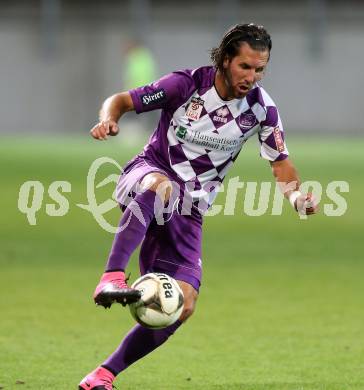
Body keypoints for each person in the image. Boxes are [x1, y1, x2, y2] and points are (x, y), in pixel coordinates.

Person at [79, 23, 318, 390]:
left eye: (260, 69)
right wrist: (109, 118)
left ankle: (103, 375)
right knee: (164, 187)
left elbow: (280, 161)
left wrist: (296, 197)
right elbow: (123, 100)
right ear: (225, 60)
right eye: (245, 67)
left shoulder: (261, 109)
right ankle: (111, 276)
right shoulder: (186, 86)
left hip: (190, 211)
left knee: (183, 305)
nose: (252, 77)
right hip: (148, 175)